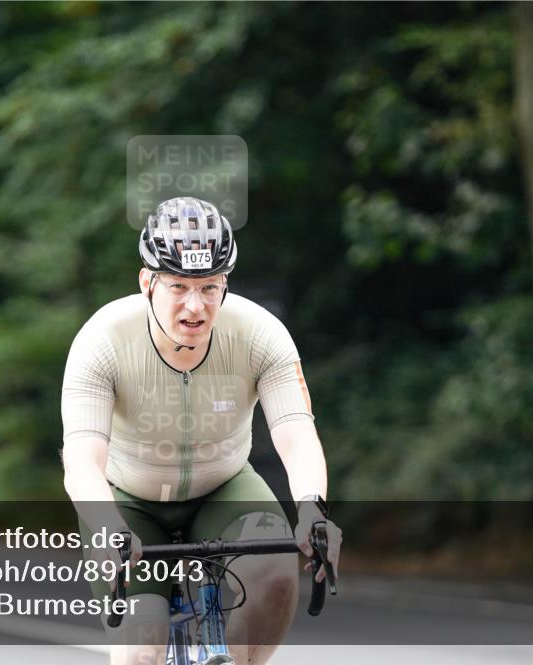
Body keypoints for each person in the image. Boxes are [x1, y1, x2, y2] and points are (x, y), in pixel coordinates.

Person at [61, 196, 341, 665]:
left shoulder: (260, 334)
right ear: (147, 282)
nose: (195, 306)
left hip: (224, 483)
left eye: (210, 287)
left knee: (274, 576)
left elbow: (296, 434)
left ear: (225, 285)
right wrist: (107, 526)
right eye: (179, 287)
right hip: (128, 498)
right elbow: (82, 459)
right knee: (143, 650)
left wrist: (313, 510)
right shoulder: (102, 339)